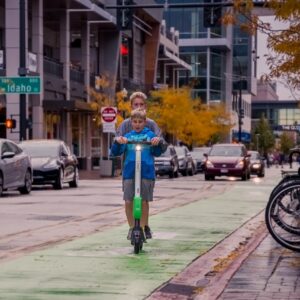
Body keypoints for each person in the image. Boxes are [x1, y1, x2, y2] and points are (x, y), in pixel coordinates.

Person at [115, 91, 167, 239]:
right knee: (128, 198)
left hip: (146, 166)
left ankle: (144, 227)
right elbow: (116, 142)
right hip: (130, 167)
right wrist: (118, 141)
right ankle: (132, 228)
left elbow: (160, 144)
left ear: (146, 106)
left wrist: (158, 142)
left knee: (144, 198)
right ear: (131, 107)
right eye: (135, 104)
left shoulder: (151, 124)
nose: (139, 106)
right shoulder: (125, 124)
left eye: (141, 104)